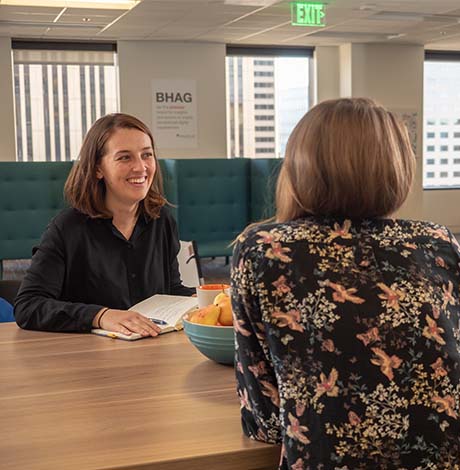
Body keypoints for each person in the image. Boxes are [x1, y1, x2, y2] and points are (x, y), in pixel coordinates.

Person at [231, 98, 460, 469]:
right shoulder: (437, 243)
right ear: (398, 166)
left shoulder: (265, 250)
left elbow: (266, 422)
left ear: (300, 166)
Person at [15, 113, 194, 337]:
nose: (141, 168)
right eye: (124, 158)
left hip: (152, 351)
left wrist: (205, 300)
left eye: (146, 155)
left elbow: (171, 290)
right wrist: (100, 316)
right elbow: (28, 306)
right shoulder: (67, 228)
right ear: (98, 168)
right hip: (88, 359)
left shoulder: (162, 220)